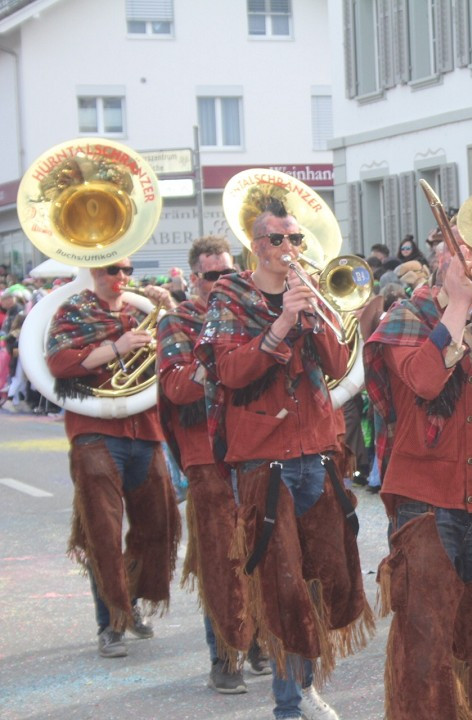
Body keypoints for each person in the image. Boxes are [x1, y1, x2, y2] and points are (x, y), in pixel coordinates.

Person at [195, 194, 374, 720]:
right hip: (263, 461)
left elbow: (339, 364)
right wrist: (277, 328)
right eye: (279, 239)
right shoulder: (229, 296)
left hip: (316, 453)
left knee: (321, 577)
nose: (291, 248)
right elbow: (228, 373)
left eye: (296, 239)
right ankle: (289, 704)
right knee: (281, 583)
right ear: (257, 246)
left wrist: (312, 312)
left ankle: (305, 679)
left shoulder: (309, 291)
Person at [364, 238, 472, 719]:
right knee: (425, 648)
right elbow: (427, 380)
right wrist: (460, 308)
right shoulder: (407, 315)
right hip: (424, 502)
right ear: (439, 262)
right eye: (461, 249)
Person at [45, 257, 181, 659]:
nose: (120, 278)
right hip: (95, 432)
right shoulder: (74, 311)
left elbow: (179, 352)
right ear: (92, 272)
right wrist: (115, 348)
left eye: (126, 271)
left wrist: (169, 310)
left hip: (145, 427)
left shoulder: (144, 310)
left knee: (157, 523)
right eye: (110, 270)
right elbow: (59, 362)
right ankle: (111, 621)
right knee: (102, 530)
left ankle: (132, 600)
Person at [156, 235, 267, 693]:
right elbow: (179, 389)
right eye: (210, 276)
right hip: (206, 457)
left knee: (262, 555)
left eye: (227, 273)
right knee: (220, 563)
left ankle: (259, 640)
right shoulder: (178, 321)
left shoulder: (250, 309)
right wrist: (215, 355)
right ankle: (225, 657)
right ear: (194, 280)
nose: (221, 282)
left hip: (253, 447)